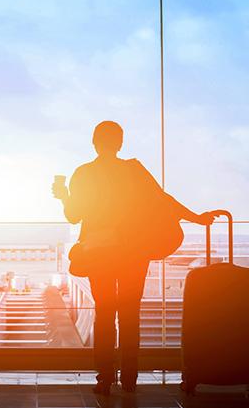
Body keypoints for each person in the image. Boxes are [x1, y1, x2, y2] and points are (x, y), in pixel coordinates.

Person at [52, 120, 215, 395]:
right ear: (120, 143)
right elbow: (164, 200)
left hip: (99, 253)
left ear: (94, 142)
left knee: (104, 315)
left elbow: (73, 215)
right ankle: (129, 378)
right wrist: (196, 218)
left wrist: (63, 195)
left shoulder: (84, 173)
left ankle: (104, 379)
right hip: (133, 253)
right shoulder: (133, 171)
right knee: (129, 315)